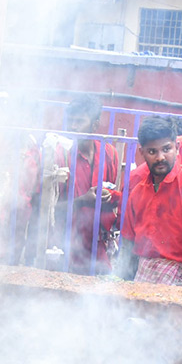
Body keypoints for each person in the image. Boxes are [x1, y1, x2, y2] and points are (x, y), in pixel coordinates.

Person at [117, 115, 182, 287]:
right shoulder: (137, 192)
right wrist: (119, 284)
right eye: (152, 151)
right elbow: (128, 247)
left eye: (166, 149)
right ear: (142, 152)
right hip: (143, 278)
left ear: (177, 147)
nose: (160, 157)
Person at [54, 95, 121, 275]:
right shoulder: (59, 155)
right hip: (64, 244)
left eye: (79, 121)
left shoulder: (110, 153)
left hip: (98, 244)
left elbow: (113, 193)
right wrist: (82, 201)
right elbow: (47, 209)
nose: (73, 127)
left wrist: (108, 196)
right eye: (71, 121)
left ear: (94, 124)